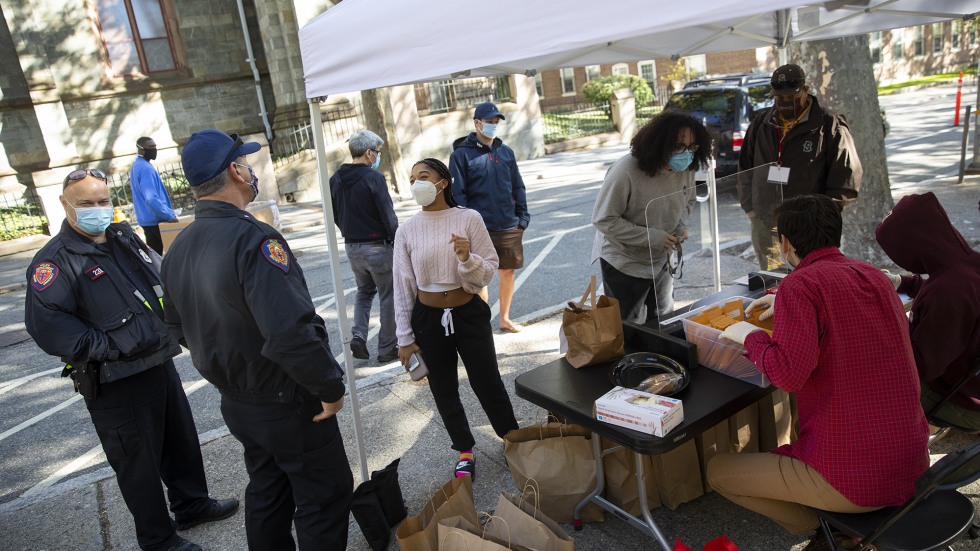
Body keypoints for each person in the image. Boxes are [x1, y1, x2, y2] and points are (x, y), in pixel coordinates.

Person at [24, 168, 238, 551]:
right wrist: (111, 347)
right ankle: (158, 538)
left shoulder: (121, 237)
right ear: (65, 205)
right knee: (137, 462)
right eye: (86, 204)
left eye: (103, 201)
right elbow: (51, 328)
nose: (98, 210)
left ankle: (191, 504)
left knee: (180, 440)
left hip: (156, 359)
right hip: (115, 379)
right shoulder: (55, 261)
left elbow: (158, 280)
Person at [160, 130, 353, 550]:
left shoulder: (179, 247)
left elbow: (177, 328)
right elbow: (290, 333)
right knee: (324, 496)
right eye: (246, 164)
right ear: (234, 170)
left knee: (268, 491)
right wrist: (328, 387)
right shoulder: (254, 239)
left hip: (239, 400)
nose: (251, 171)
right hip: (286, 399)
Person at [707, 194, 929, 550]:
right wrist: (783, 297)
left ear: (786, 243)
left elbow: (787, 375)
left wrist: (750, 337)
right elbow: (841, 305)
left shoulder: (801, 286)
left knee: (718, 471)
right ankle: (841, 520)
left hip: (854, 478)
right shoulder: (873, 276)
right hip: (912, 463)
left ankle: (833, 528)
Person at [394, 158, 519, 479]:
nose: (417, 183)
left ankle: (513, 440)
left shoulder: (468, 218)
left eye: (424, 176)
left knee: (487, 380)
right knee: (443, 387)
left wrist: (466, 259)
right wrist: (404, 337)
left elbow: (488, 268)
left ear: (443, 182)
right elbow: (402, 285)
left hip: (468, 312)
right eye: (412, 179)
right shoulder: (406, 229)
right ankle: (464, 449)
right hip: (428, 318)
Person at [737, 63, 862, 270]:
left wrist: (821, 216)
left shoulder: (829, 125)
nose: (785, 103)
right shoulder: (761, 123)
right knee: (773, 278)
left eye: (791, 98)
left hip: (809, 227)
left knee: (810, 278)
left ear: (805, 91)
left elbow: (846, 177)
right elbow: (745, 166)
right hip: (766, 222)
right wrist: (749, 207)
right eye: (779, 98)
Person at [591, 112, 711, 323]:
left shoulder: (687, 167)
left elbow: (688, 200)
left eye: (692, 147)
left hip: (661, 258)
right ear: (660, 144)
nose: (686, 153)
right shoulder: (626, 170)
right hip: (625, 261)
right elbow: (604, 220)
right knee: (629, 327)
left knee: (663, 321)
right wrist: (653, 238)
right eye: (679, 146)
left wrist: (680, 224)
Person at [876, 192, 980, 432]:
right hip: (969, 383)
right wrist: (902, 282)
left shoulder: (947, 293)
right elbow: (943, 292)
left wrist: (882, 324)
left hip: (962, 400)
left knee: (867, 375)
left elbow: (922, 366)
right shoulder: (968, 265)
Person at [449, 101, 530, 333]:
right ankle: (482, 324)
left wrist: (522, 219)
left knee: (507, 271)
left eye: (496, 122)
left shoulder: (506, 152)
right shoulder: (461, 156)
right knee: (480, 276)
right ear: (477, 123)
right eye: (489, 122)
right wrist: (466, 225)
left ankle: (504, 319)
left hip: (508, 224)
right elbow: (458, 194)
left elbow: (518, 186)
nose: (494, 126)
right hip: (479, 228)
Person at [330, 129, 399, 363]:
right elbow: (388, 215)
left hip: (352, 247)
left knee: (364, 292)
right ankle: (387, 348)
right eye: (377, 152)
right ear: (368, 153)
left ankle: (359, 334)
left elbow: (335, 214)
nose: (378, 157)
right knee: (388, 295)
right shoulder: (374, 178)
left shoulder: (336, 179)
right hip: (377, 247)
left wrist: (349, 232)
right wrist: (397, 240)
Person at [130, 136, 179, 255]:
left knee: (154, 255)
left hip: (147, 219)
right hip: (156, 220)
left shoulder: (136, 165)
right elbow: (151, 198)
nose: (154, 150)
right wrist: (169, 216)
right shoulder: (146, 169)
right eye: (151, 147)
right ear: (141, 149)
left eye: (155, 146)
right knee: (172, 253)